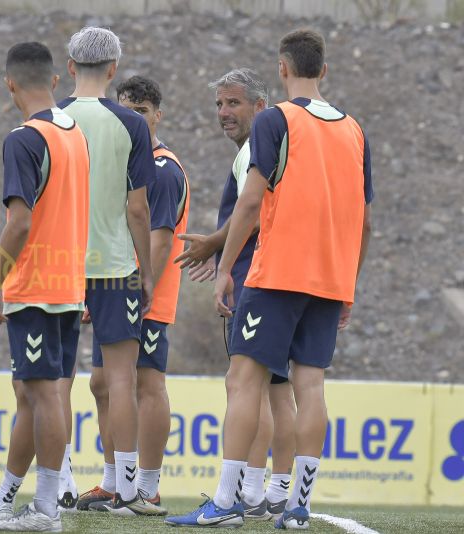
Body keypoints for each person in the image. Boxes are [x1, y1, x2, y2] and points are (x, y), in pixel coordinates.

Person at [166, 28, 372, 529]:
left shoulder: (277, 118)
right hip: (329, 279)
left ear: (282, 69)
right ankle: (296, 506)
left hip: (277, 273)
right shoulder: (354, 130)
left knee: (243, 381)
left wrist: (223, 270)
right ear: (323, 70)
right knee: (310, 386)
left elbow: (252, 201)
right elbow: (365, 220)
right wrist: (349, 284)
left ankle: (226, 502)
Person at [0, 41, 90, 532]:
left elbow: (19, 223)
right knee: (31, 393)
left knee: (43, 396)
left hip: (36, 286)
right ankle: (4, 499)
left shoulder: (24, 138)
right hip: (67, 283)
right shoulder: (74, 134)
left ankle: (47, 510)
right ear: (56, 82)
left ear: (9, 84)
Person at [175, 68, 297, 521]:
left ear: (260, 107)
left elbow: (251, 207)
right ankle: (272, 492)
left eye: (233, 104)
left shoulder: (255, 148)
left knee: (251, 387)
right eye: (219, 105)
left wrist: (218, 251)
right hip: (275, 274)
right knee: (275, 388)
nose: (224, 113)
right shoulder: (267, 146)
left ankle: (246, 493)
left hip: (256, 276)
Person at [57, 27, 157, 515]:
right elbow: (138, 209)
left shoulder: (48, 120)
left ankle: (58, 482)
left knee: (57, 378)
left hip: (59, 266)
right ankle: (130, 487)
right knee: (121, 378)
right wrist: (149, 271)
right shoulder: (132, 125)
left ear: (71, 67)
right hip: (116, 266)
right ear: (113, 70)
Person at [81, 75, 189, 516]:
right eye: (128, 112)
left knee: (146, 384)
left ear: (157, 116)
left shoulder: (161, 169)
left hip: (145, 292)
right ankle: (113, 481)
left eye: (142, 112)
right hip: (116, 286)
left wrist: (143, 289)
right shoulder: (126, 164)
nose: (135, 120)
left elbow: (160, 239)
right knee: (103, 383)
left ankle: (147, 485)